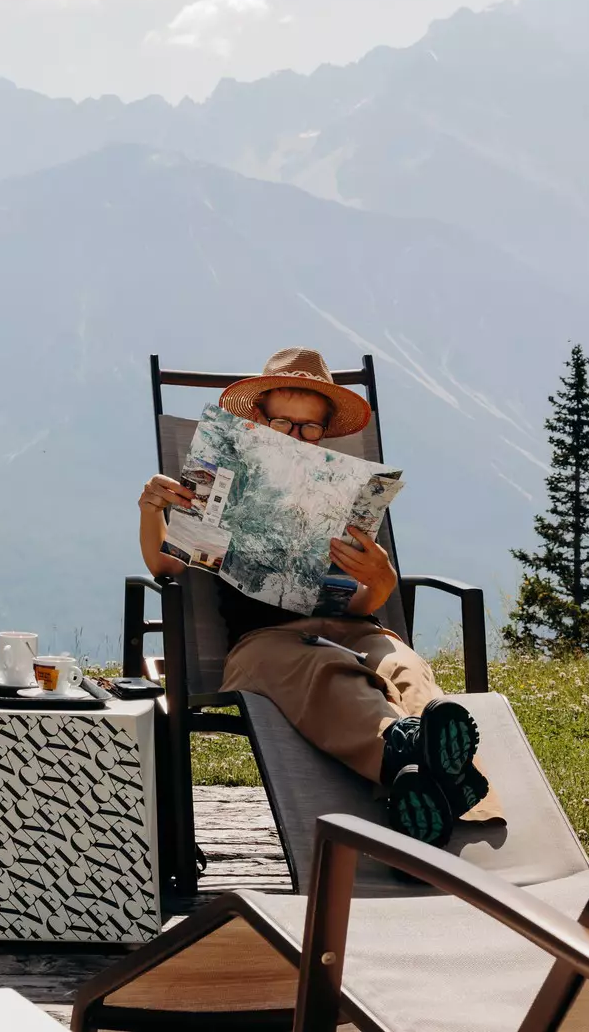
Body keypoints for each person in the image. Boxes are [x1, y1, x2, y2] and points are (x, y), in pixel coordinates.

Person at [137, 346, 500, 846]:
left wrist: (382, 582)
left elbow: (359, 605)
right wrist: (150, 509)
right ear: (258, 422)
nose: (295, 436)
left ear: (325, 433)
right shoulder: (223, 484)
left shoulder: (342, 491)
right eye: (283, 423)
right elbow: (164, 566)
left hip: (351, 627)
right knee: (330, 674)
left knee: (406, 669)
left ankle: (422, 778)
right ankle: (432, 772)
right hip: (266, 645)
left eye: (308, 428)